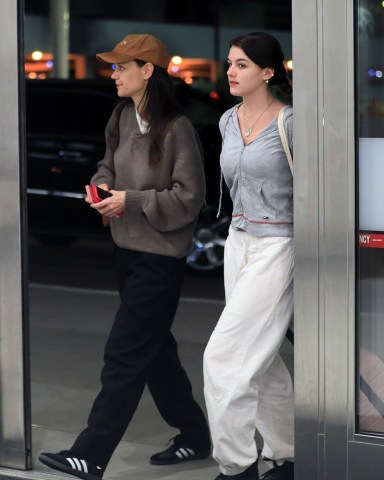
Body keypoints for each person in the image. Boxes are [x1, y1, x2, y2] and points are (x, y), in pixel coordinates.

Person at [38, 33, 211, 480]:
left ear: (146, 71)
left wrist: (128, 200)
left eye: (121, 67)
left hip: (160, 259)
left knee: (125, 353)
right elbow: (107, 167)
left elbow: (189, 199)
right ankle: (194, 435)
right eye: (113, 67)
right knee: (154, 352)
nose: (113, 73)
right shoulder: (120, 115)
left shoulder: (177, 128)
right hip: (126, 252)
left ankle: (90, 454)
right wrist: (99, 188)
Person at [203, 32, 294, 480]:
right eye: (229, 63)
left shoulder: (290, 122)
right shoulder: (226, 120)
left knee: (224, 358)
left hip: (279, 244)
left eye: (241, 64)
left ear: (267, 72)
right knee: (264, 356)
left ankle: (235, 467)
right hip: (237, 241)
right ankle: (285, 454)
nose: (231, 72)